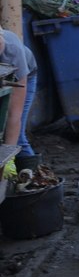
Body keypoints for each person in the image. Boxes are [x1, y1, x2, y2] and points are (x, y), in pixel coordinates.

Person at [0, 24, 40, 173]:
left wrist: (8, 158)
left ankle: (30, 179)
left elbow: (13, 115)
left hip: (25, 76)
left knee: (18, 137)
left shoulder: (12, 51)